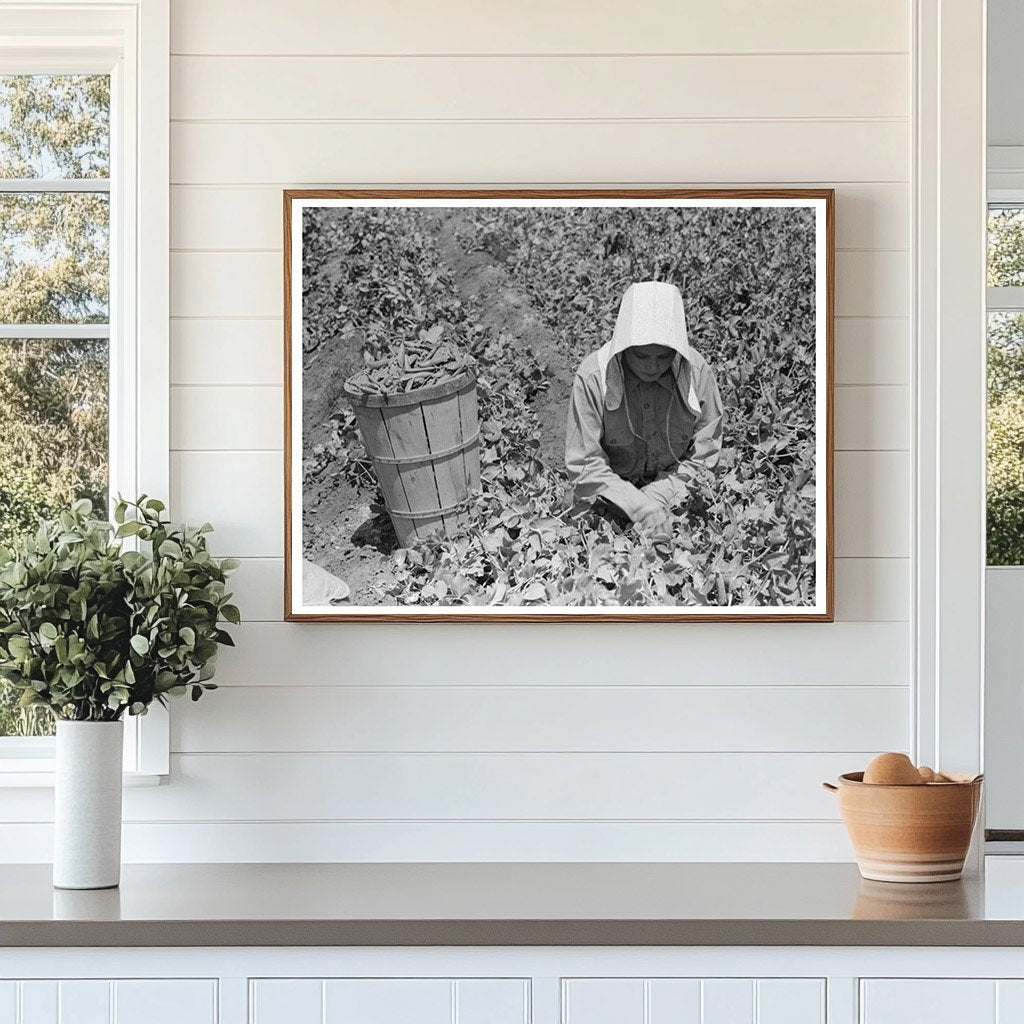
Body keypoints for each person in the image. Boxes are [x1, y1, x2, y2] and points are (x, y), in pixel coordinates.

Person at [565, 280, 724, 531]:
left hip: (676, 494)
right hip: (608, 500)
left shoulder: (696, 373)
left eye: (664, 357)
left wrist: (656, 499)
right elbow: (585, 465)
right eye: (640, 356)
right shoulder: (594, 377)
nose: (652, 367)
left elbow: (704, 457)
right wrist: (638, 506)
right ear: (624, 348)